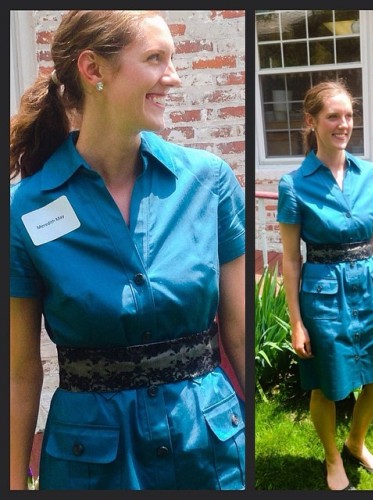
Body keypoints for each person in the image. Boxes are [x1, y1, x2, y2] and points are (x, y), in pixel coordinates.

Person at [10, 10, 245, 490]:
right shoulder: (24, 211)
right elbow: (18, 370)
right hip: (92, 465)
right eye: (155, 58)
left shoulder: (209, 182)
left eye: (171, 59)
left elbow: (241, 333)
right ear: (93, 69)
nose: (173, 78)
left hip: (209, 450)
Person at [277, 80, 373, 490]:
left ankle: (355, 442)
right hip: (324, 295)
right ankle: (333, 459)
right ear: (311, 121)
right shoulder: (294, 185)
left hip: (367, 288)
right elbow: (291, 259)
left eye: (348, 115)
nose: (343, 124)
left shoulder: (371, 175)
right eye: (333, 116)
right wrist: (296, 322)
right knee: (328, 387)